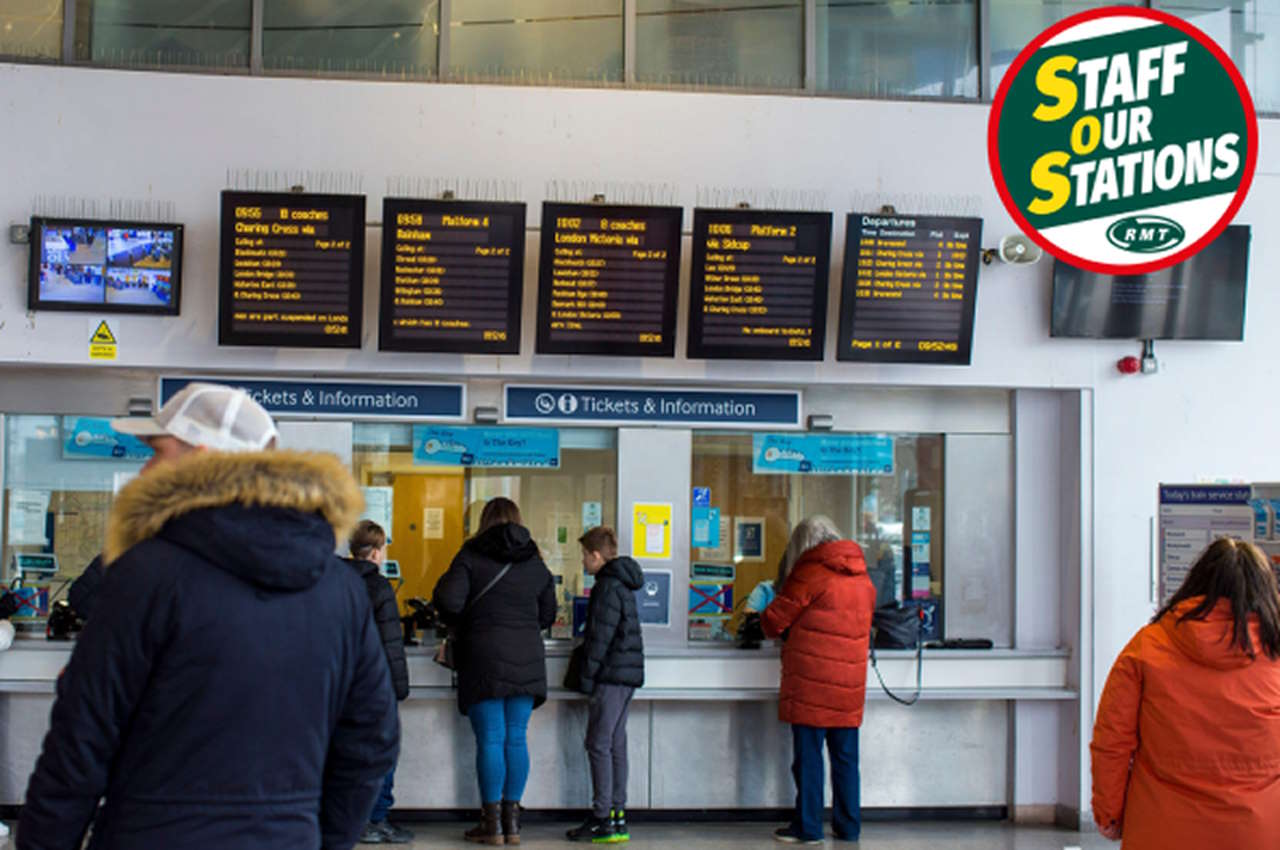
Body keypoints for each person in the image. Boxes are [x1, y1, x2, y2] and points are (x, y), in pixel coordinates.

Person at [18, 382, 399, 850]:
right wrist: (318, 838)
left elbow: (81, 740)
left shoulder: (146, 574)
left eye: (158, 452)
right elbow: (371, 738)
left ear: (200, 457)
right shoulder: (340, 589)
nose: (146, 467)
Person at [1091, 537, 1280, 847]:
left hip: (1162, 829)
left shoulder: (1148, 646)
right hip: (1260, 832)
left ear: (1195, 582)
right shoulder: (1275, 653)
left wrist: (1109, 813)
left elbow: (1112, 742)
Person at [432, 497, 556, 846]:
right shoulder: (535, 560)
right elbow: (548, 613)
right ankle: (512, 824)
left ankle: (491, 826)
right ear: (518, 521)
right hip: (527, 656)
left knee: (490, 738)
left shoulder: (471, 554)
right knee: (516, 736)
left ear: (484, 520)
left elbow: (448, 601)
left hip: (483, 655)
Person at [761, 516, 876, 845]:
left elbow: (774, 620)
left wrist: (763, 616)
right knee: (845, 760)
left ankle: (808, 827)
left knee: (809, 759)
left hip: (812, 683)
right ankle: (848, 826)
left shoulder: (810, 573)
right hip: (849, 685)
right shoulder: (862, 578)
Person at [566, 526, 644, 844]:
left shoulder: (607, 587)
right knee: (615, 743)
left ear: (596, 556)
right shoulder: (622, 584)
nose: (583, 562)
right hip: (626, 676)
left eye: (585, 555)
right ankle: (617, 814)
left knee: (598, 743)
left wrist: (586, 678)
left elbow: (599, 639)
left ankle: (602, 818)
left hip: (611, 676)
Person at [345, 520, 413, 846]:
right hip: (375, 684)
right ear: (375, 551)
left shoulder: (336, 582)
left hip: (342, 682)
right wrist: (399, 688)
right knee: (382, 752)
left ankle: (353, 818)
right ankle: (376, 817)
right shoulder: (380, 587)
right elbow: (390, 644)